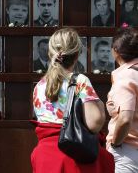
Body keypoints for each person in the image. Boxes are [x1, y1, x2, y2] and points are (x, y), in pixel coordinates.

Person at [31, 28, 114, 173]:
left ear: (51, 53)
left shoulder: (39, 85)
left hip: (44, 157)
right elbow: (94, 123)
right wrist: (100, 106)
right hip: (73, 154)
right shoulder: (79, 81)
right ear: (77, 55)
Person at [106, 27, 138, 172]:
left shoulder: (126, 76)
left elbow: (125, 119)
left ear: (116, 50)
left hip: (128, 151)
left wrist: (115, 144)